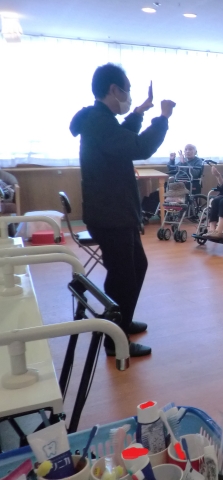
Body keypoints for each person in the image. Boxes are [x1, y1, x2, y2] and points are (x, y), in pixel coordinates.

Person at [69, 63, 175, 357]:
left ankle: (121, 323)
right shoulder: (99, 121)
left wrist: (139, 111)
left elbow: (123, 140)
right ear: (114, 89)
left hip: (114, 212)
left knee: (135, 267)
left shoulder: (100, 120)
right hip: (111, 214)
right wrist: (163, 118)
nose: (128, 96)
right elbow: (138, 147)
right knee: (122, 276)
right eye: (127, 90)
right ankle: (114, 340)